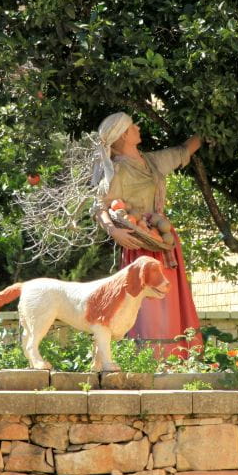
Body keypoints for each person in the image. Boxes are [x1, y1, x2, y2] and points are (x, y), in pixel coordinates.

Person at [92, 111, 203, 358]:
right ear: (122, 136)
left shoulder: (152, 162)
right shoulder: (117, 171)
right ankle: (151, 358)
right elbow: (99, 207)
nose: (138, 127)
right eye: (132, 126)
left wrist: (209, 125)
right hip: (139, 244)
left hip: (164, 243)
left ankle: (178, 356)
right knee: (149, 305)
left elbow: (184, 150)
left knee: (171, 298)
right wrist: (113, 231)